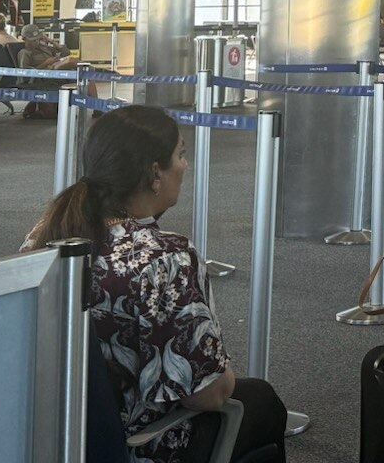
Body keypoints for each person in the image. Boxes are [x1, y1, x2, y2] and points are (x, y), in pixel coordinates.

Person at [24, 106, 288, 463]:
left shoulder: (45, 237)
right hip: (139, 445)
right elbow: (205, 394)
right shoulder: (163, 258)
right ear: (154, 174)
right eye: (180, 154)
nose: (185, 165)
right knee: (262, 402)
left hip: (54, 438)